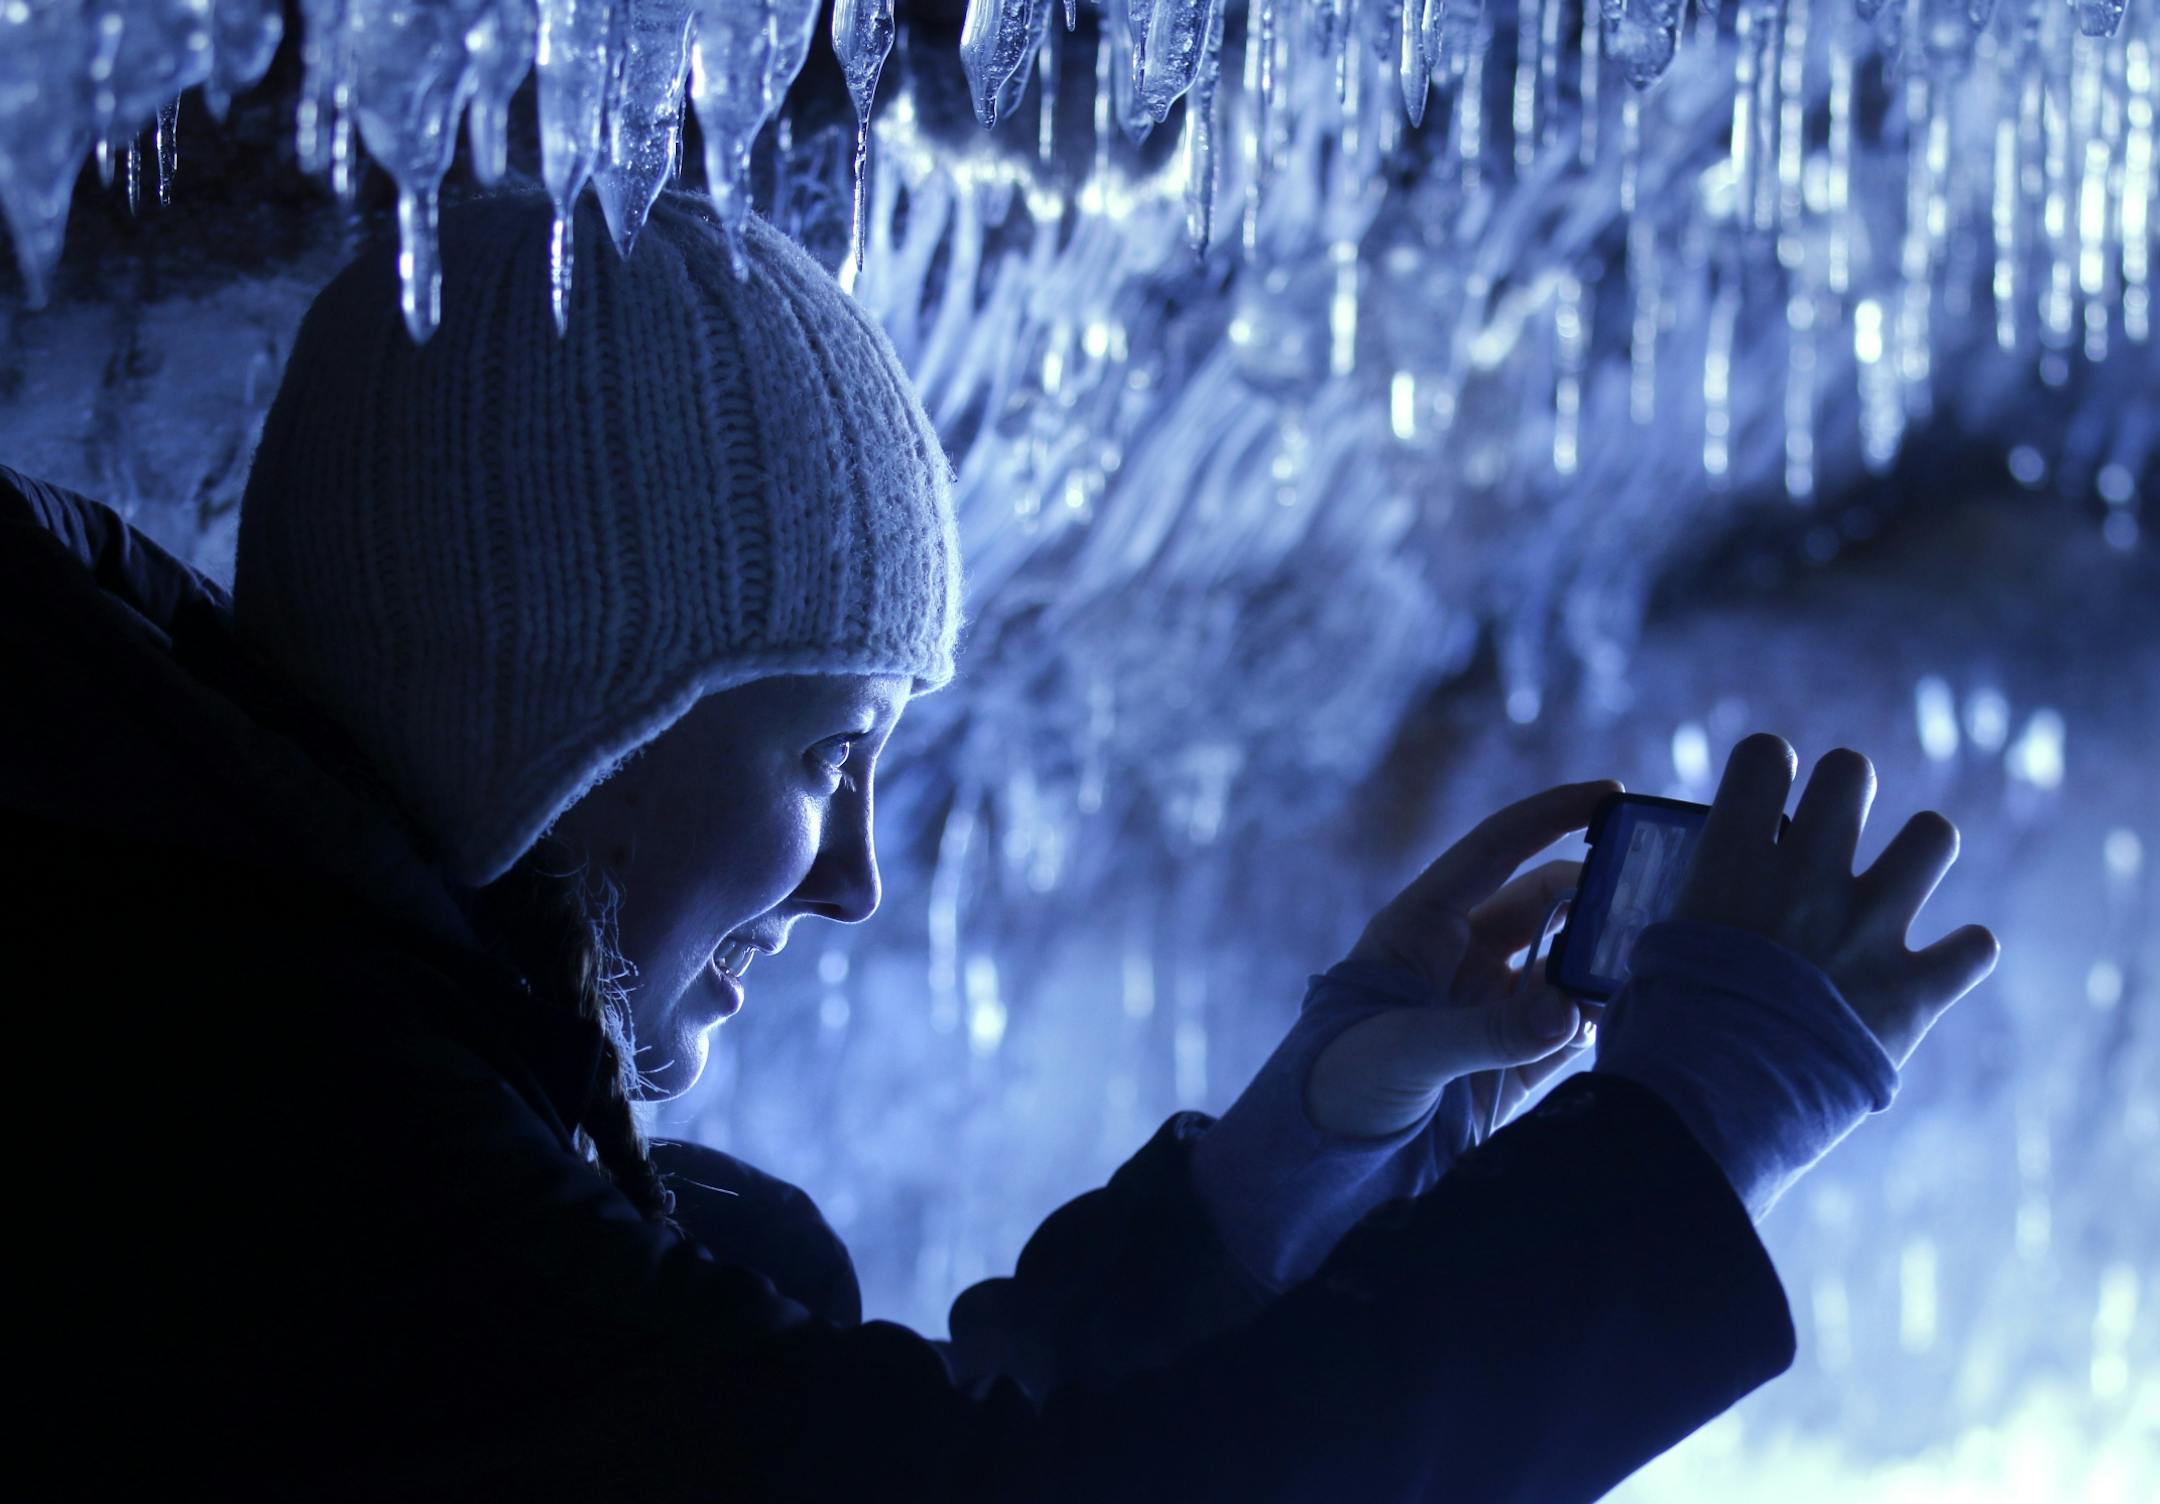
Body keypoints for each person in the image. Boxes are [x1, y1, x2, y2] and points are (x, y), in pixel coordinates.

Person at [0, 189, 1998, 1501]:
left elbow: (905, 1446)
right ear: (574, 708)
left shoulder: (257, 1033)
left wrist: (1292, 1152)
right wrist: (1693, 1120)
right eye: (828, 747)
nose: (858, 871)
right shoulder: (291, 1141)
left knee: (758, 1246)